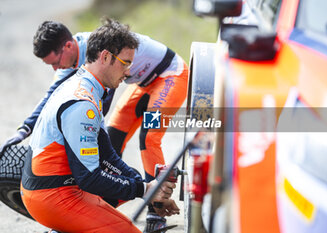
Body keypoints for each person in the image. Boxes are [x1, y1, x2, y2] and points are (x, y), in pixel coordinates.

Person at [0, 18, 188, 232]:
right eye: (126, 63)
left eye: (130, 64)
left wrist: (148, 192)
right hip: (52, 194)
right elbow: (91, 175)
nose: (129, 71)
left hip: (170, 77)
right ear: (105, 57)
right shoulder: (83, 99)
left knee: (149, 136)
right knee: (115, 133)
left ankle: (153, 206)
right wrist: (144, 188)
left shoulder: (87, 78)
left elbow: (107, 156)